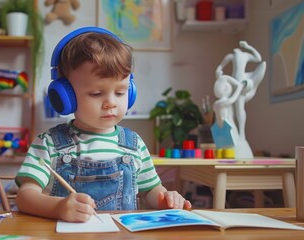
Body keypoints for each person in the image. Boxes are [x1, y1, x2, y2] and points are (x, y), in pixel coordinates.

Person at [15, 27, 192, 223]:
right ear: (66, 97)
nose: (111, 103)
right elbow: (25, 197)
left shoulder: (134, 144)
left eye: (120, 92)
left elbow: (150, 190)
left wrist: (165, 199)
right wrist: (58, 207)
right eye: (96, 94)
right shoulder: (48, 143)